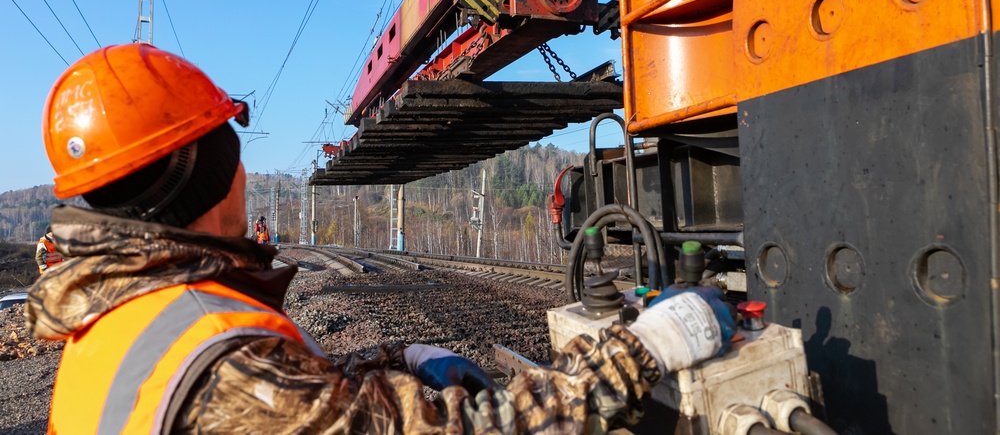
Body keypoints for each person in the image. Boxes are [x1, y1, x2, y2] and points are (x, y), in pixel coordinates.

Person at [27, 43, 734, 434]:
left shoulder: (124, 319)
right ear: (204, 170)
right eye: (230, 148)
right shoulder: (222, 362)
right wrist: (641, 350)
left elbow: (291, 399)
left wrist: (395, 354)